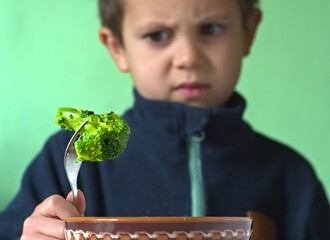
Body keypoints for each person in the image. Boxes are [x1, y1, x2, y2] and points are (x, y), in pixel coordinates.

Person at [0, 0, 329, 239]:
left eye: (210, 29)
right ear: (117, 48)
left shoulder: (291, 179)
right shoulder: (73, 161)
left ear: (248, 31)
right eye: (158, 35)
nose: (188, 57)